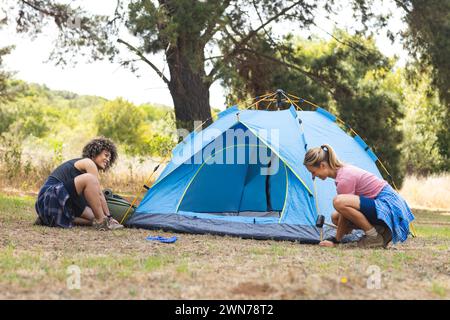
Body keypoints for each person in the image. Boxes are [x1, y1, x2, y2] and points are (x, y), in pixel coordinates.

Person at [303, 144, 414, 248]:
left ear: (322, 165)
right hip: (381, 207)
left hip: (388, 206)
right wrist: (343, 230)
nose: (313, 176)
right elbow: (344, 215)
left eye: (313, 172)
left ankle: (374, 237)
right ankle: (381, 230)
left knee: (338, 202)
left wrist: (336, 240)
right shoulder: (342, 173)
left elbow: (344, 213)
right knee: (335, 217)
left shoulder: (344, 178)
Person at [35, 137, 123, 231]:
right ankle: (102, 222)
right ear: (95, 152)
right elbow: (99, 193)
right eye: (106, 155)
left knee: (94, 215)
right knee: (90, 179)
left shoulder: (80, 182)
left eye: (110, 158)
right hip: (50, 195)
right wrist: (108, 217)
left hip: (50, 204)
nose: (108, 159)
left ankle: (46, 219)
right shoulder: (88, 162)